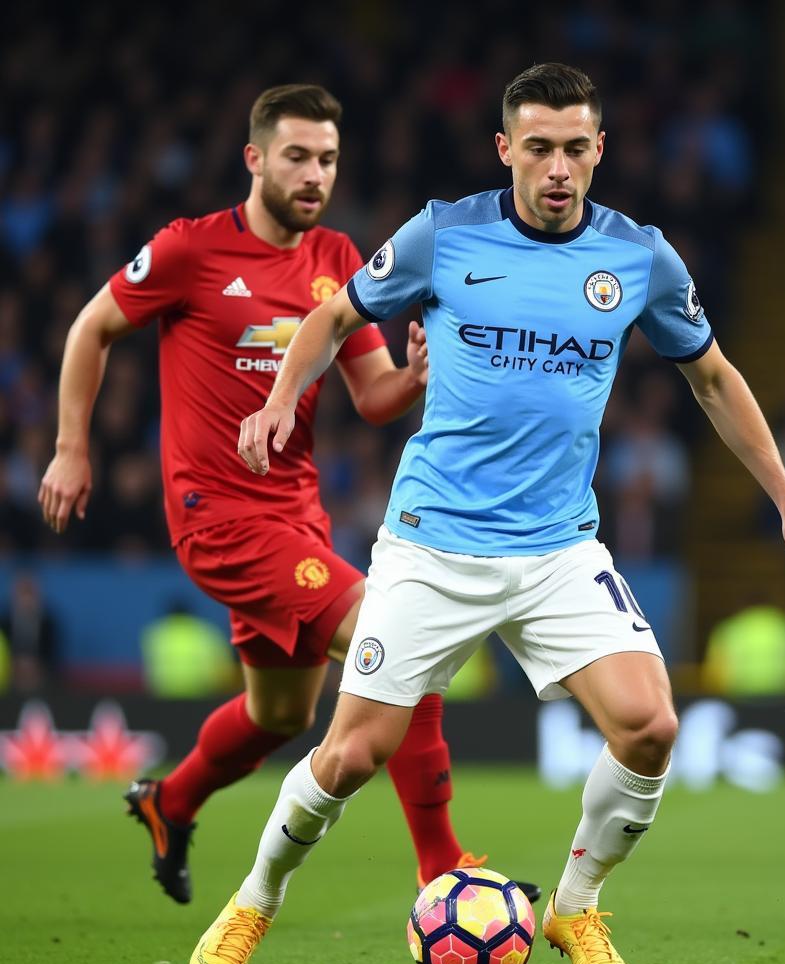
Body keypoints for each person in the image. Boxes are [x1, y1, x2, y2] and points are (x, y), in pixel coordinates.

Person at [191, 63, 785, 964]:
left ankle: (575, 908)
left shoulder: (638, 258)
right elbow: (334, 315)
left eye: (577, 148)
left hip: (559, 550)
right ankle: (254, 900)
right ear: (506, 150)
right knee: (349, 754)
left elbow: (714, 378)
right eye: (539, 148)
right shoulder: (445, 234)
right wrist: (281, 400)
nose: (559, 167)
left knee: (650, 726)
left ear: (600, 149)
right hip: (430, 543)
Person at [37, 84, 538, 907]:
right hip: (219, 518)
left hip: (296, 518)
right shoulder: (189, 251)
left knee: (277, 714)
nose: (315, 175)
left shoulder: (337, 258)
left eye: (329, 160)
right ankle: (442, 864)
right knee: (396, 640)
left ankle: (170, 802)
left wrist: (411, 377)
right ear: (256, 159)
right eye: (298, 157)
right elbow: (91, 326)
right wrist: (69, 448)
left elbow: (373, 397)